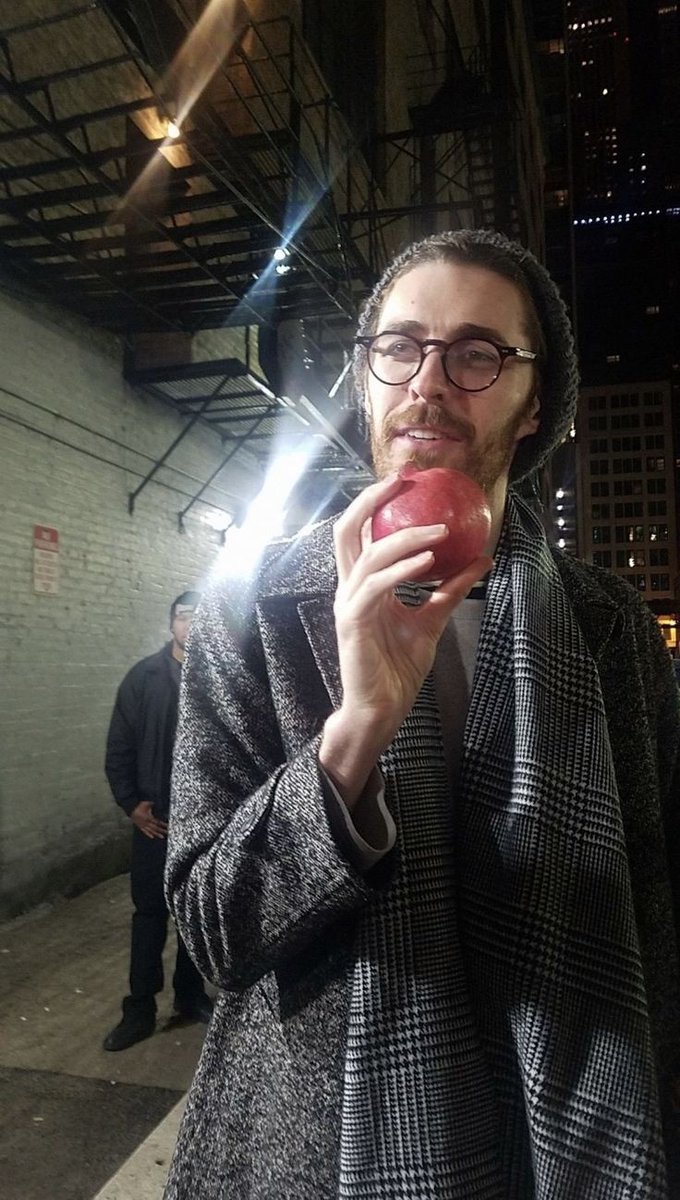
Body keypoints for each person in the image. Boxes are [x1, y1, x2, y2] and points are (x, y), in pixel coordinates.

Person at [162, 230, 680, 1198]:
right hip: (322, 1143)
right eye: (398, 347)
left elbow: (655, 899)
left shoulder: (606, 627)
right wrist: (354, 731)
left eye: (476, 353)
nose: (428, 382)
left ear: (533, 405)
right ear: (365, 381)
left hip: (558, 1120)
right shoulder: (251, 607)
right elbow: (213, 932)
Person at [103, 590, 213, 1052]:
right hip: (156, 822)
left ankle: (189, 996)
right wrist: (131, 805)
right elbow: (119, 748)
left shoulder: (221, 677)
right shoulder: (143, 678)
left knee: (194, 914)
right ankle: (140, 1008)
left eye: (199, 616)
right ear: (172, 624)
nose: (191, 623)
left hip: (205, 820)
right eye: (184, 616)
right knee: (149, 914)